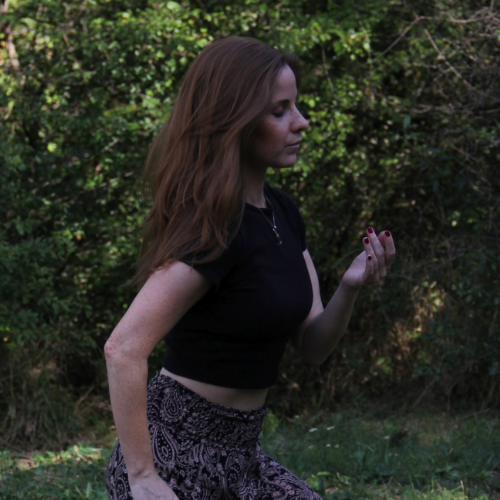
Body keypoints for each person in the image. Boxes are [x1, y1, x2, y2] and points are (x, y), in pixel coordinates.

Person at [104, 36, 395, 500]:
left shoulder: (282, 212)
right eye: (279, 111)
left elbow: (313, 346)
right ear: (235, 122)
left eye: (295, 106)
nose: (301, 121)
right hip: (173, 457)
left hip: (241, 457)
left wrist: (349, 286)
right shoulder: (213, 229)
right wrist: (142, 476)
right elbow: (123, 348)